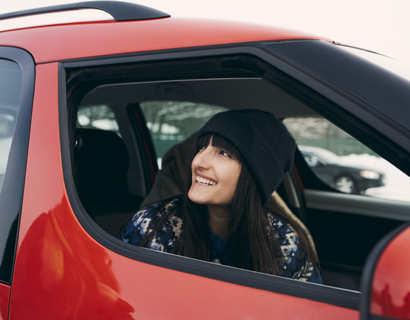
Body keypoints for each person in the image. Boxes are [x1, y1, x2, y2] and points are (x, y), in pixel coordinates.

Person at [122, 109, 322, 283]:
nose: (198, 161)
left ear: (255, 176)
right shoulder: (152, 228)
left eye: (223, 153)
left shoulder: (284, 242)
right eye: (201, 147)